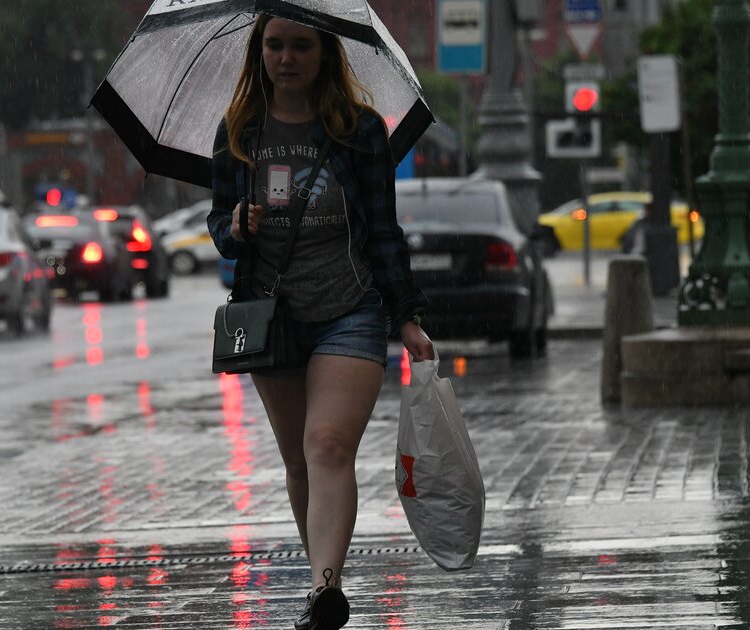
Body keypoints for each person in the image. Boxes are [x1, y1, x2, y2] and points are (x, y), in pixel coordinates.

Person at [207, 14, 435, 630]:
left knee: (328, 445)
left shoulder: (358, 132)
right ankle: (320, 591)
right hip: (271, 318)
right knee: (299, 461)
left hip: (350, 310)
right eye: (275, 45)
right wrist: (234, 225)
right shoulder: (239, 133)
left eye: (300, 46)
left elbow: (384, 230)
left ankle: (326, 584)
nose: (286, 57)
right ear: (260, 53)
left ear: (323, 52)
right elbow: (218, 229)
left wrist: (406, 316)